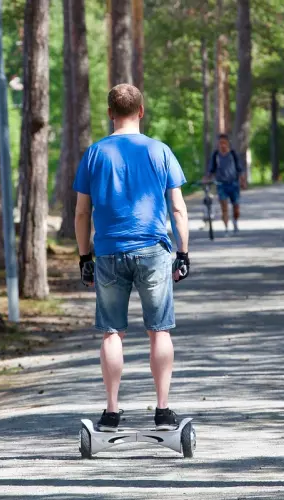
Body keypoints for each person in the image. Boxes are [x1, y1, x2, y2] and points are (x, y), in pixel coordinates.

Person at [73, 84, 191, 432]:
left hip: (109, 251)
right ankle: (163, 409)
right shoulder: (161, 151)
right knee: (160, 331)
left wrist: (84, 257)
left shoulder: (94, 154)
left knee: (111, 333)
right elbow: (179, 208)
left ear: (110, 113)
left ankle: (111, 412)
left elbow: (81, 213)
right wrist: (182, 252)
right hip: (154, 250)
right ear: (141, 111)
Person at [205, 134, 247, 235]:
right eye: (220, 143)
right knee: (224, 207)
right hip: (221, 185)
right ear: (218, 144)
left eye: (224, 143)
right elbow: (211, 170)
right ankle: (226, 228)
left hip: (234, 184)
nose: (222, 145)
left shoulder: (233, 154)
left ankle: (235, 222)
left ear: (228, 143)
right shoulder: (216, 155)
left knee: (236, 207)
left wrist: (242, 181)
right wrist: (206, 180)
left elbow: (240, 169)